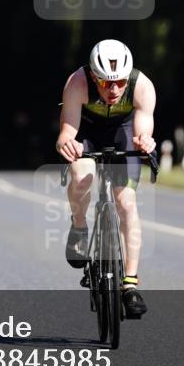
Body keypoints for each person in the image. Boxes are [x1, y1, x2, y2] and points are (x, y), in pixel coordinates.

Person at [55, 39, 157, 318]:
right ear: (92, 75)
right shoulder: (77, 82)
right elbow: (67, 130)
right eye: (104, 83)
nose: (113, 90)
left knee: (126, 202)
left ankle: (130, 285)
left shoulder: (142, 85)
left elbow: (142, 128)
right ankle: (78, 226)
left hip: (123, 130)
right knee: (82, 176)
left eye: (120, 82)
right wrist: (68, 143)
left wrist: (145, 141)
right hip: (87, 130)